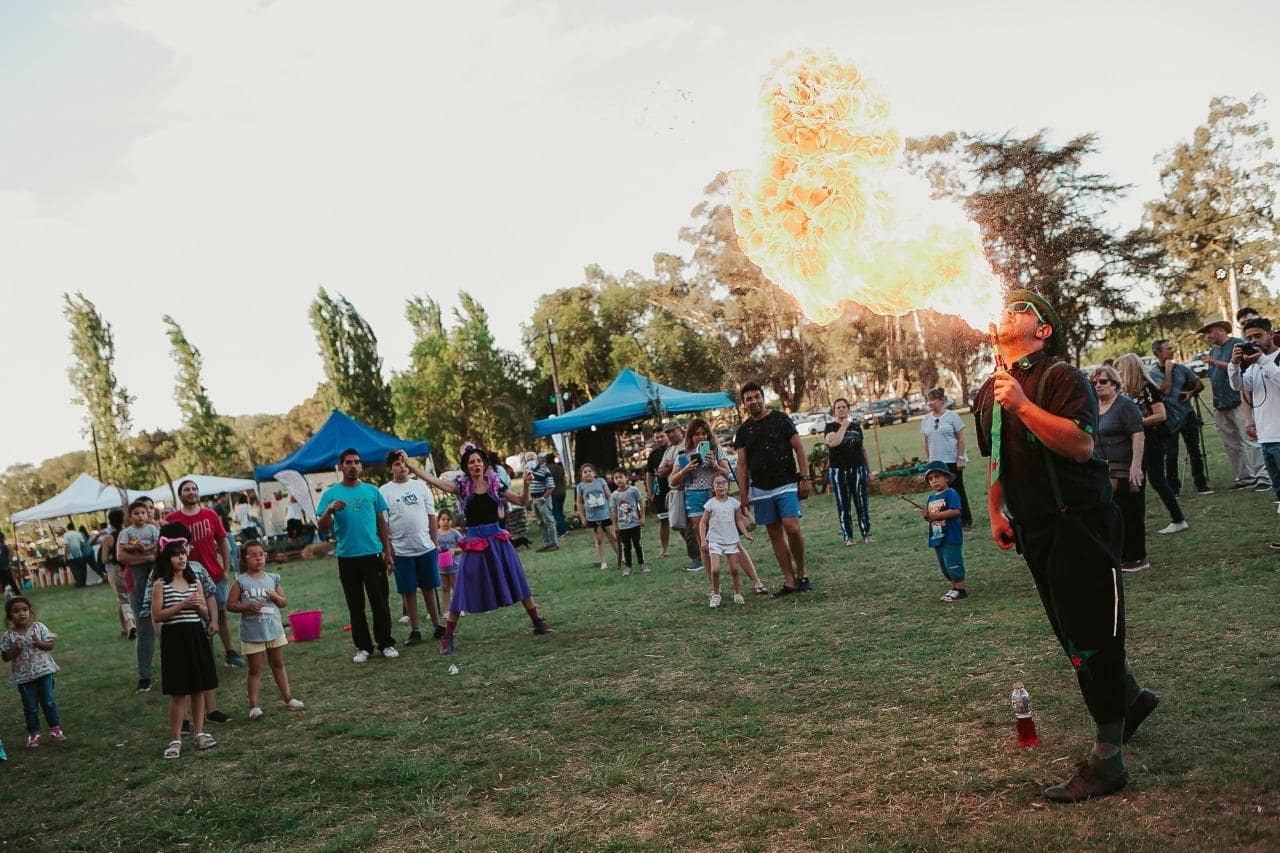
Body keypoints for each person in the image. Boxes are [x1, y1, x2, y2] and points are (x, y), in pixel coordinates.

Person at [975, 290, 1156, 803]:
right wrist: (994, 511)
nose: (1005, 311)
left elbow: (1080, 445)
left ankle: (1107, 760)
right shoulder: (991, 389)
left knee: (1092, 633)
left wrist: (1025, 406)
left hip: (1082, 522)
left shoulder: (1061, 376)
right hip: (1034, 528)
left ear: (1043, 329)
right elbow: (995, 456)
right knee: (1072, 632)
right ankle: (1132, 698)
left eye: (1020, 308)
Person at [411, 445, 551, 655]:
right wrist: (413, 470)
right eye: (471, 462)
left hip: (498, 542)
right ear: (466, 468)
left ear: (484, 464)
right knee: (461, 591)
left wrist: (526, 485)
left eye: (479, 461)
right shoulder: (461, 488)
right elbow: (435, 481)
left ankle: (538, 622)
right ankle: (447, 637)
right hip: (475, 544)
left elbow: (522, 501)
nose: (476, 465)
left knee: (517, 580)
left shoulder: (496, 485)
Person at [316, 449, 399, 663]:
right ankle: (363, 647)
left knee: (380, 602)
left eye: (357, 462)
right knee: (356, 605)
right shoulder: (331, 494)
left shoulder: (372, 491)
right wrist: (330, 510)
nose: (353, 466)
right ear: (341, 466)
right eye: (348, 462)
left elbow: (382, 523)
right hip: (347, 558)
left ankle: (386, 643)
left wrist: (388, 553)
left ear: (361, 467)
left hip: (372, 554)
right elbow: (321, 527)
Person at [734, 382, 812, 597]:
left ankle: (802, 573)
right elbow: (742, 465)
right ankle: (789, 580)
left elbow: (799, 448)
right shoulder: (744, 431)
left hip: (786, 483)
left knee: (792, 527)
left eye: (756, 396)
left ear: (763, 397)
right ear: (744, 403)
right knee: (775, 534)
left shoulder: (780, 419)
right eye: (749, 398)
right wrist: (743, 494)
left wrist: (805, 478)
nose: (754, 401)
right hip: (760, 489)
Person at [152, 537, 219, 759]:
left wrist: (200, 608)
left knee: (198, 687)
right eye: (175, 554)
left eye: (183, 553)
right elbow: (157, 615)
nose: (181, 558)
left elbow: (204, 612)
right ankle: (176, 738)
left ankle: (200, 732)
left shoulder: (195, 582)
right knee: (178, 691)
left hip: (194, 634)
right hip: (174, 637)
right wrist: (182, 604)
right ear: (167, 559)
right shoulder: (160, 584)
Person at [167, 481, 244, 669]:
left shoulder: (210, 515)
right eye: (187, 490)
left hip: (214, 574)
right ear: (180, 495)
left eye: (194, 489)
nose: (192, 492)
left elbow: (223, 542)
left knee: (221, 613)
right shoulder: (172, 519)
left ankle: (229, 652)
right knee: (196, 618)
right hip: (186, 578)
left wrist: (225, 568)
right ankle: (204, 657)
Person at [226, 540, 304, 720]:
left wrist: (276, 596)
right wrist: (246, 607)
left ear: (265, 556)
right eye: (252, 556)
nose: (258, 559)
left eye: (261, 554)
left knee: (278, 664)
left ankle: (288, 698)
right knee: (255, 669)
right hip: (253, 634)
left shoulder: (272, 578)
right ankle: (254, 706)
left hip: (274, 630)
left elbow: (283, 602)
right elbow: (230, 605)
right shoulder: (241, 581)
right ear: (244, 559)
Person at [380, 450, 446, 644]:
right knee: (408, 591)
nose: (402, 467)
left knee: (429, 587)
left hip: (425, 548)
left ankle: (437, 625)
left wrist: (434, 543)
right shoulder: (384, 491)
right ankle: (415, 630)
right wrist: (388, 551)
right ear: (390, 468)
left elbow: (431, 516)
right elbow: (384, 523)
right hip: (402, 551)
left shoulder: (420, 486)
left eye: (404, 463)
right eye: (397, 464)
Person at [1197, 318, 1270, 491]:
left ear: (1221, 329)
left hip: (1239, 400)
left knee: (1251, 438)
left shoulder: (1238, 344)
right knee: (1231, 444)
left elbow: (1239, 367)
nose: (1207, 336)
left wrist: (1213, 362)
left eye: (1210, 331)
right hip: (1221, 403)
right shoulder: (1213, 351)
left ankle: (1263, 477)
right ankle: (1245, 477)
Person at [1116, 354, 1183, 534]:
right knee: (1138, 482)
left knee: (1157, 480)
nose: (1119, 373)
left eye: (1121, 369)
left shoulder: (1148, 388)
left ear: (1129, 369)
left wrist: (1137, 423)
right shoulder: (1128, 391)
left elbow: (1161, 415)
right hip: (1138, 440)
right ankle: (1138, 523)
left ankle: (1178, 519)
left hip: (1152, 439)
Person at [1091, 365, 1149, 572]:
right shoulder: (1093, 407)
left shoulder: (1125, 405)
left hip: (1126, 467)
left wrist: (1136, 466)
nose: (1098, 385)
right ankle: (1118, 555)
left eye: (1103, 381)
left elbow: (1138, 435)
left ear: (1115, 384)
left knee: (1130, 512)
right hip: (1104, 470)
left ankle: (1137, 557)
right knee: (1109, 514)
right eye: (1095, 382)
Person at [1229, 317, 1280, 548]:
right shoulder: (1255, 365)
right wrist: (1235, 365)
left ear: (1270, 334)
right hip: (1266, 436)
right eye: (1248, 338)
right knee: (1278, 490)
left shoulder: (1274, 359)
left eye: (1258, 336)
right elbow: (1240, 386)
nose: (1253, 341)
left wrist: (1262, 361)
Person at [669, 418, 734, 569]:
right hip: (694, 497)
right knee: (703, 541)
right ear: (690, 436)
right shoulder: (684, 454)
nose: (701, 437)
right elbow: (672, 481)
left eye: (704, 433)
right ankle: (713, 583)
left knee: (727, 536)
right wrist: (686, 470)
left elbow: (728, 474)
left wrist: (714, 465)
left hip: (715, 494)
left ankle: (733, 571)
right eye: (697, 434)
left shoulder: (715, 450)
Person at [1149, 338, 1211, 496]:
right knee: (1171, 454)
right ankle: (1173, 488)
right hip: (1168, 418)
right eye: (1168, 349)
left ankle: (1201, 484)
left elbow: (1200, 384)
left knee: (1195, 451)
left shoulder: (1182, 369)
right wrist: (1168, 370)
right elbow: (1165, 391)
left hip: (1187, 415)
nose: (1172, 351)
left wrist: (1191, 392)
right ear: (1158, 352)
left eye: (1172, 348)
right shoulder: (1152, 373)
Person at [1, 596, 63, 748]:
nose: (21, 614)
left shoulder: (38, 627)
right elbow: (5, 657)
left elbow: (50, 645)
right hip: (23, 678)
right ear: (10, 615)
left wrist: (39, 643)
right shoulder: (9, 636)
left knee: (48, 701)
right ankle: (34, 734)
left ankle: (55, 729)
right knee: (30, 706)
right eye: (16, 611)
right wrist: (16, 649)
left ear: (30, 611)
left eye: (25, 610)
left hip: (44, 673)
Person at [118, 500, 160, 692]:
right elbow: (121, 556)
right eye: (138, 512)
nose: (143, 515)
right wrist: (147, 557)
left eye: (147, 510)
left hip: (158, 582)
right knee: (144, 630)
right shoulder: (126, 533)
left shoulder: (155, 529)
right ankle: (144, 676)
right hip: (137, 584)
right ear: (130, 516)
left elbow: (163, 550)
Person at [699, 473, 756, 608]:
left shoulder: (733, 503)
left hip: (731, 539)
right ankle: (716, 594)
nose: (721, 486)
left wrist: (746, 533)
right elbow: (702, 523)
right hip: (715, 541)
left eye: (723, 483)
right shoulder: (710, 504)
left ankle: (737, 593)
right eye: (717, 484)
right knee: (715, 570)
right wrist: (703, 540)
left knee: (734, 569)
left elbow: (738, 520)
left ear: (728, 485)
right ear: (713, 488)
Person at [826, 397, 877, 545]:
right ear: (834, 411)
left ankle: (866, 533)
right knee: (843, 504)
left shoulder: (856, 427)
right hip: (839, 471)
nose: (841, 409)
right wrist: (844, 425)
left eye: (844, 407)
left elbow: (863, 449)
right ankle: (848, 537)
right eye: (838, 407)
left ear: (848, 409)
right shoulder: (830, 427)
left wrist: (869, 470)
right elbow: (834, 442)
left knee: (862, 502)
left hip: (857, 468)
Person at [658, 421, 705, 573]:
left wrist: (673, 464)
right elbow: (660, 471)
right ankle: (699, 556)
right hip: (675, 490)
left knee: (691, 526)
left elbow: (692, 460)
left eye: (673, 431)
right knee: (680, 525)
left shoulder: (686, 444)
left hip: (690, 489)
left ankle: (698, 558)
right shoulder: (669, 450)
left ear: (680, 430)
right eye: (668, 433)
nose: (671, 435)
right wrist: (673, 464)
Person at [919, 461, 966, 602]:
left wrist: (936, 516)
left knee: (953, 561)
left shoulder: (951, 493)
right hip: (937, 536)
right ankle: (953, 587)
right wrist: (927, 517)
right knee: (944, 565)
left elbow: (956, 511)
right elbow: (932, 518)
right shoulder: (931, 498)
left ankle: (961, 589)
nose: (934, 481)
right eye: (930, 479)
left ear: (946, 477)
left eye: (937, 476)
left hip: (951, 536)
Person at [576, 464, 620, 571]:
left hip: (605, 514)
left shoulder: (600, 481)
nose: (587, 473)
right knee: (599, 540)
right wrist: (583, 517)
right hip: (592, 518)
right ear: (581, 475)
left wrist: (614, 509)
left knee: (613, 537)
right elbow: (580, 503)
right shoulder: (581, 486)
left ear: (594, 473)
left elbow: (609, 496)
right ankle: (603, 562)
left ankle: (621, 556)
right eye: (585, 472)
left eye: (589, 471)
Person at [100, 509, 136, 638]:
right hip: (131, 567)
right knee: (132, 596)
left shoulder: (108, 539)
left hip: (116, 570)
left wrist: (113, 557)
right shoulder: (130, 533)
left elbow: (103, 559)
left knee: (122, 599)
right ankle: (129, 626)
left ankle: (130, 625)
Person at [609, 469, 647, 575]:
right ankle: (628, 567)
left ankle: (642, 564)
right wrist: (615, 525)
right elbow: (614, 511)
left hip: (635, 523)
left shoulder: (633, 490)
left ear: (626, 477)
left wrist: (642, 517)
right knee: (626, 547)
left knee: (637, 544)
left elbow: (640, 503)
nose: (619, 480)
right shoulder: (614, 496)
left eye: (621, 477)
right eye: (616, 478)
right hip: (623, 526)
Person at [645, 429, 673, 558]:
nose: (659, 439)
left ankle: (692, 548)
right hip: (660, 493)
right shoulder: (653, 454)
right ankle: (665, 549)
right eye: (657, 437)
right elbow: (649, 474)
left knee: (683, 521)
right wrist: (650, 493)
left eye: (662, 436)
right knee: (663, 521)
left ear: (667, 436)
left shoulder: (674, 450)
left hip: (675, 489)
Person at [525, 452, 559, 553]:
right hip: (534, 499)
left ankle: (553, 544)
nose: (530, 461)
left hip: (543, 498)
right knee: (540, 523)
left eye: (532, 459)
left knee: (548, 521)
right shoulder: (528, 471)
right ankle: (546, 544)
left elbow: (551, 486)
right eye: (528, 460)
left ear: (536, 460)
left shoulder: (544, 469)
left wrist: (543, 498)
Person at [435, 510, 463, 607]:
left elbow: (463, 547)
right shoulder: (435, 534)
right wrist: (436, 548)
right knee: (445, 587)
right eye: (443, 519)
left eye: (448, 519)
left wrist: (454, 550)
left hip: (454, 566)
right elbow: (432, 546)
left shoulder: (455, 533)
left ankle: (459, 607)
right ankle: (447, 609)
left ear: (452, 521)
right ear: (438, 521)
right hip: (441, 567)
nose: (446, 521)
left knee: (455, 587)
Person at [545, 452, 570, 536]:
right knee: (560, 510)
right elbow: (564, 478)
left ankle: (562, 530)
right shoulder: (560, 467)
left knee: (555, 512)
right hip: (562, 491)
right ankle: (564, 526)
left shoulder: (546, 469)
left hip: (553, 492)